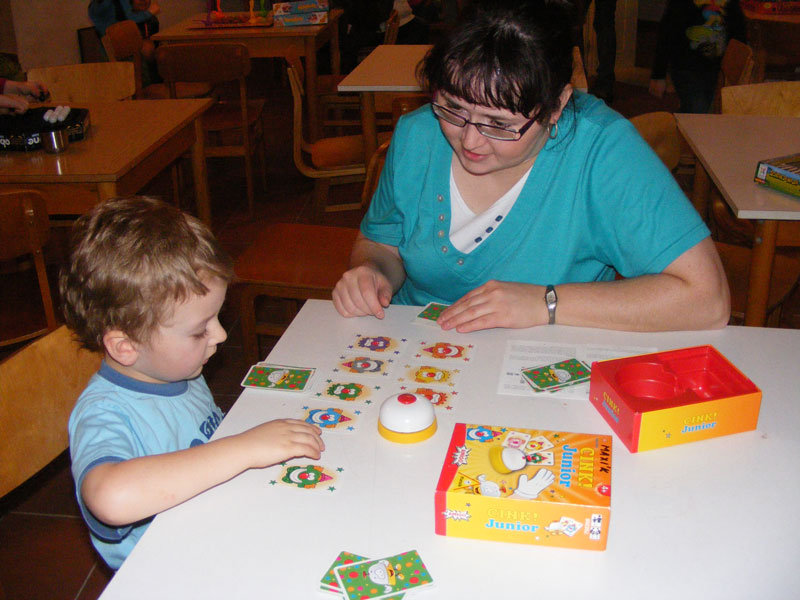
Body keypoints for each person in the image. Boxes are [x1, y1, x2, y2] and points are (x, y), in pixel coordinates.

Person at [332, 0, 730, 333]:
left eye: (498, 124)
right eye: (453, 108)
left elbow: (707, 300)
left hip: (541, 356)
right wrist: (372, 272)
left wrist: (546, 303)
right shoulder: (418, 134)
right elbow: (380, 243)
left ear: (556, 106)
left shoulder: (603, 151)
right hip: (416, 351)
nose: (470, 141)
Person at [61, 197, 325, 570]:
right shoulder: (103, 413)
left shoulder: (176, 371)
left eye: (216, 318)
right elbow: (110, 498)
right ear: (126, 347)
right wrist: (244, 447)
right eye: (200, 330)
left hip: (216, 533)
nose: (220, 335)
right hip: (168, 572)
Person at [648, 0, 746, 114]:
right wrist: (658, 74)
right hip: (686, 67)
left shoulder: (730, 3)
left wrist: (737, 63)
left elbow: (738, 31)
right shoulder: (681, 4)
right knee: (697, 108)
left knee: (706, 107)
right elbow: (666, 35)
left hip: (716, 68)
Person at [88, 0, 161, 62]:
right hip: (113, 50)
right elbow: (129, 19)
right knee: (147, 48)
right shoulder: (96, 7)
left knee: (160, 52)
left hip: (130, 44)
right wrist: (150, 12)